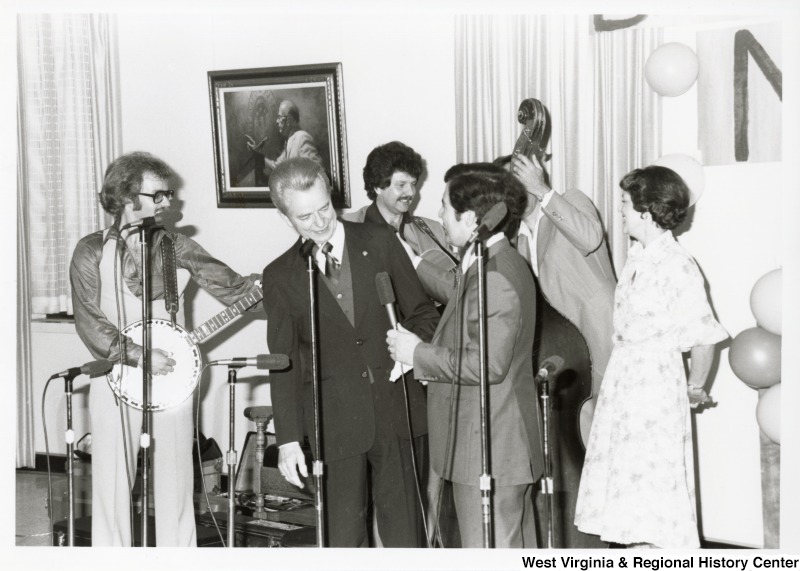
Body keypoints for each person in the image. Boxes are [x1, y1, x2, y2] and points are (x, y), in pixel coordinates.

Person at [70, 151, 260, 546]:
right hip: (113, 374)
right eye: (158, 195)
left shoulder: (178, 247)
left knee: (176, 475)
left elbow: (237, 290)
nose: (167, 203)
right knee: (112, 479)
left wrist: (280, 281)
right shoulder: (90, 252)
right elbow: (90, 321)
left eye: (168, 194)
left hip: (174, 377)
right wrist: (139, 355)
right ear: (126, 197)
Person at [261, 157, 440, 547]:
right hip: (334, 422)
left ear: (332, 196)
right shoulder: (280, 276)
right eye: (305, 217)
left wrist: (410, 349)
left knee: (407, 534)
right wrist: (288, 438)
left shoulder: (379, 242)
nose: (321, 222)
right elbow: (284, 363)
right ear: (284, 216)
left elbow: (424, 313)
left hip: (398, 411)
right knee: (343, 538)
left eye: (325, 208)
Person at [386, 168, 544, 548]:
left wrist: (418, 353)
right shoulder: (490, 263)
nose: (438, 216)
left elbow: (486, 364)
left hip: (490, 446)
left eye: (443, 208)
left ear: (471, 219)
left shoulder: (494, 276)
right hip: (494, 442)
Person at [574, 165, 728, 549]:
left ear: (646, 212)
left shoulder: (677, 265)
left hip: (654, 389)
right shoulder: (638, 258)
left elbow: (704, 337)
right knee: (627, 488)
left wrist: (693, 388)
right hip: (625, 382)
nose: (621, 212)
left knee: (654, 488)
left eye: (625, 204)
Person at [510, 152, 617, 437]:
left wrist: (543, 190)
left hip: (598, 334)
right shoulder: (516, 239)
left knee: (611, 431)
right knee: (580, 433)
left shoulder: (570, 200)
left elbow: (590, 237)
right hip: (564, 349)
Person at [342, 141, 455, 268]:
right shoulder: (346, 227)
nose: (411, 192)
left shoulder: (434, 231)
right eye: (401, 185)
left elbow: (457, 281)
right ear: (378, 187)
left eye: (413, 183)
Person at [247, 99, 323, 179]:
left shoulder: (302, 138)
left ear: (289, 120)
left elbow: (317, 172)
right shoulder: (291, 141)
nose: (277, 121)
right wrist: (256, 154)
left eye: (279, 117)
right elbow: (276, 167)